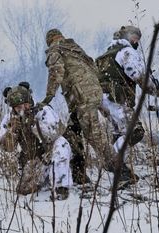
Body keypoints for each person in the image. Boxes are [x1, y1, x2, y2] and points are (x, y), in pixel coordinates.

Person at [38, 29, 116, 184]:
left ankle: (122, 172)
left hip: (82, 98)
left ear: (49, 40)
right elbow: (94, 68)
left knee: (95, 136)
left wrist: (48, 97)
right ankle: (79, 174)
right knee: (72, 134)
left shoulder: (55, 49)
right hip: (93, 94)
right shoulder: (75, 48)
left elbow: (56, 71)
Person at [95, 25, 159, 184]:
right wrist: (155, 91)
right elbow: (139, 75)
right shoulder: (126, 52)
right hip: (117, 101)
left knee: (119, 134)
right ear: (128, 37)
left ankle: (122, 174)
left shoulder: (107, 54)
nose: (137, 41)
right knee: (135, 132)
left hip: (103, 100)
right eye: (135, 37)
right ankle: (113, 161)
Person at [0, 82, 73, 200]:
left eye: (25, 105)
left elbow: (55, 134)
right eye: (18, 107)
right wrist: (12, 131)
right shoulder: (9, 119)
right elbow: (7, 147)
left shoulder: (43, 110)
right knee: (24, 190)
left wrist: (34, 124)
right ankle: (47, 176)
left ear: (30, 100)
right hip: (33, 162)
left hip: (49, 155)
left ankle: (61, 186)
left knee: (61, 143)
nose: (23, 109)